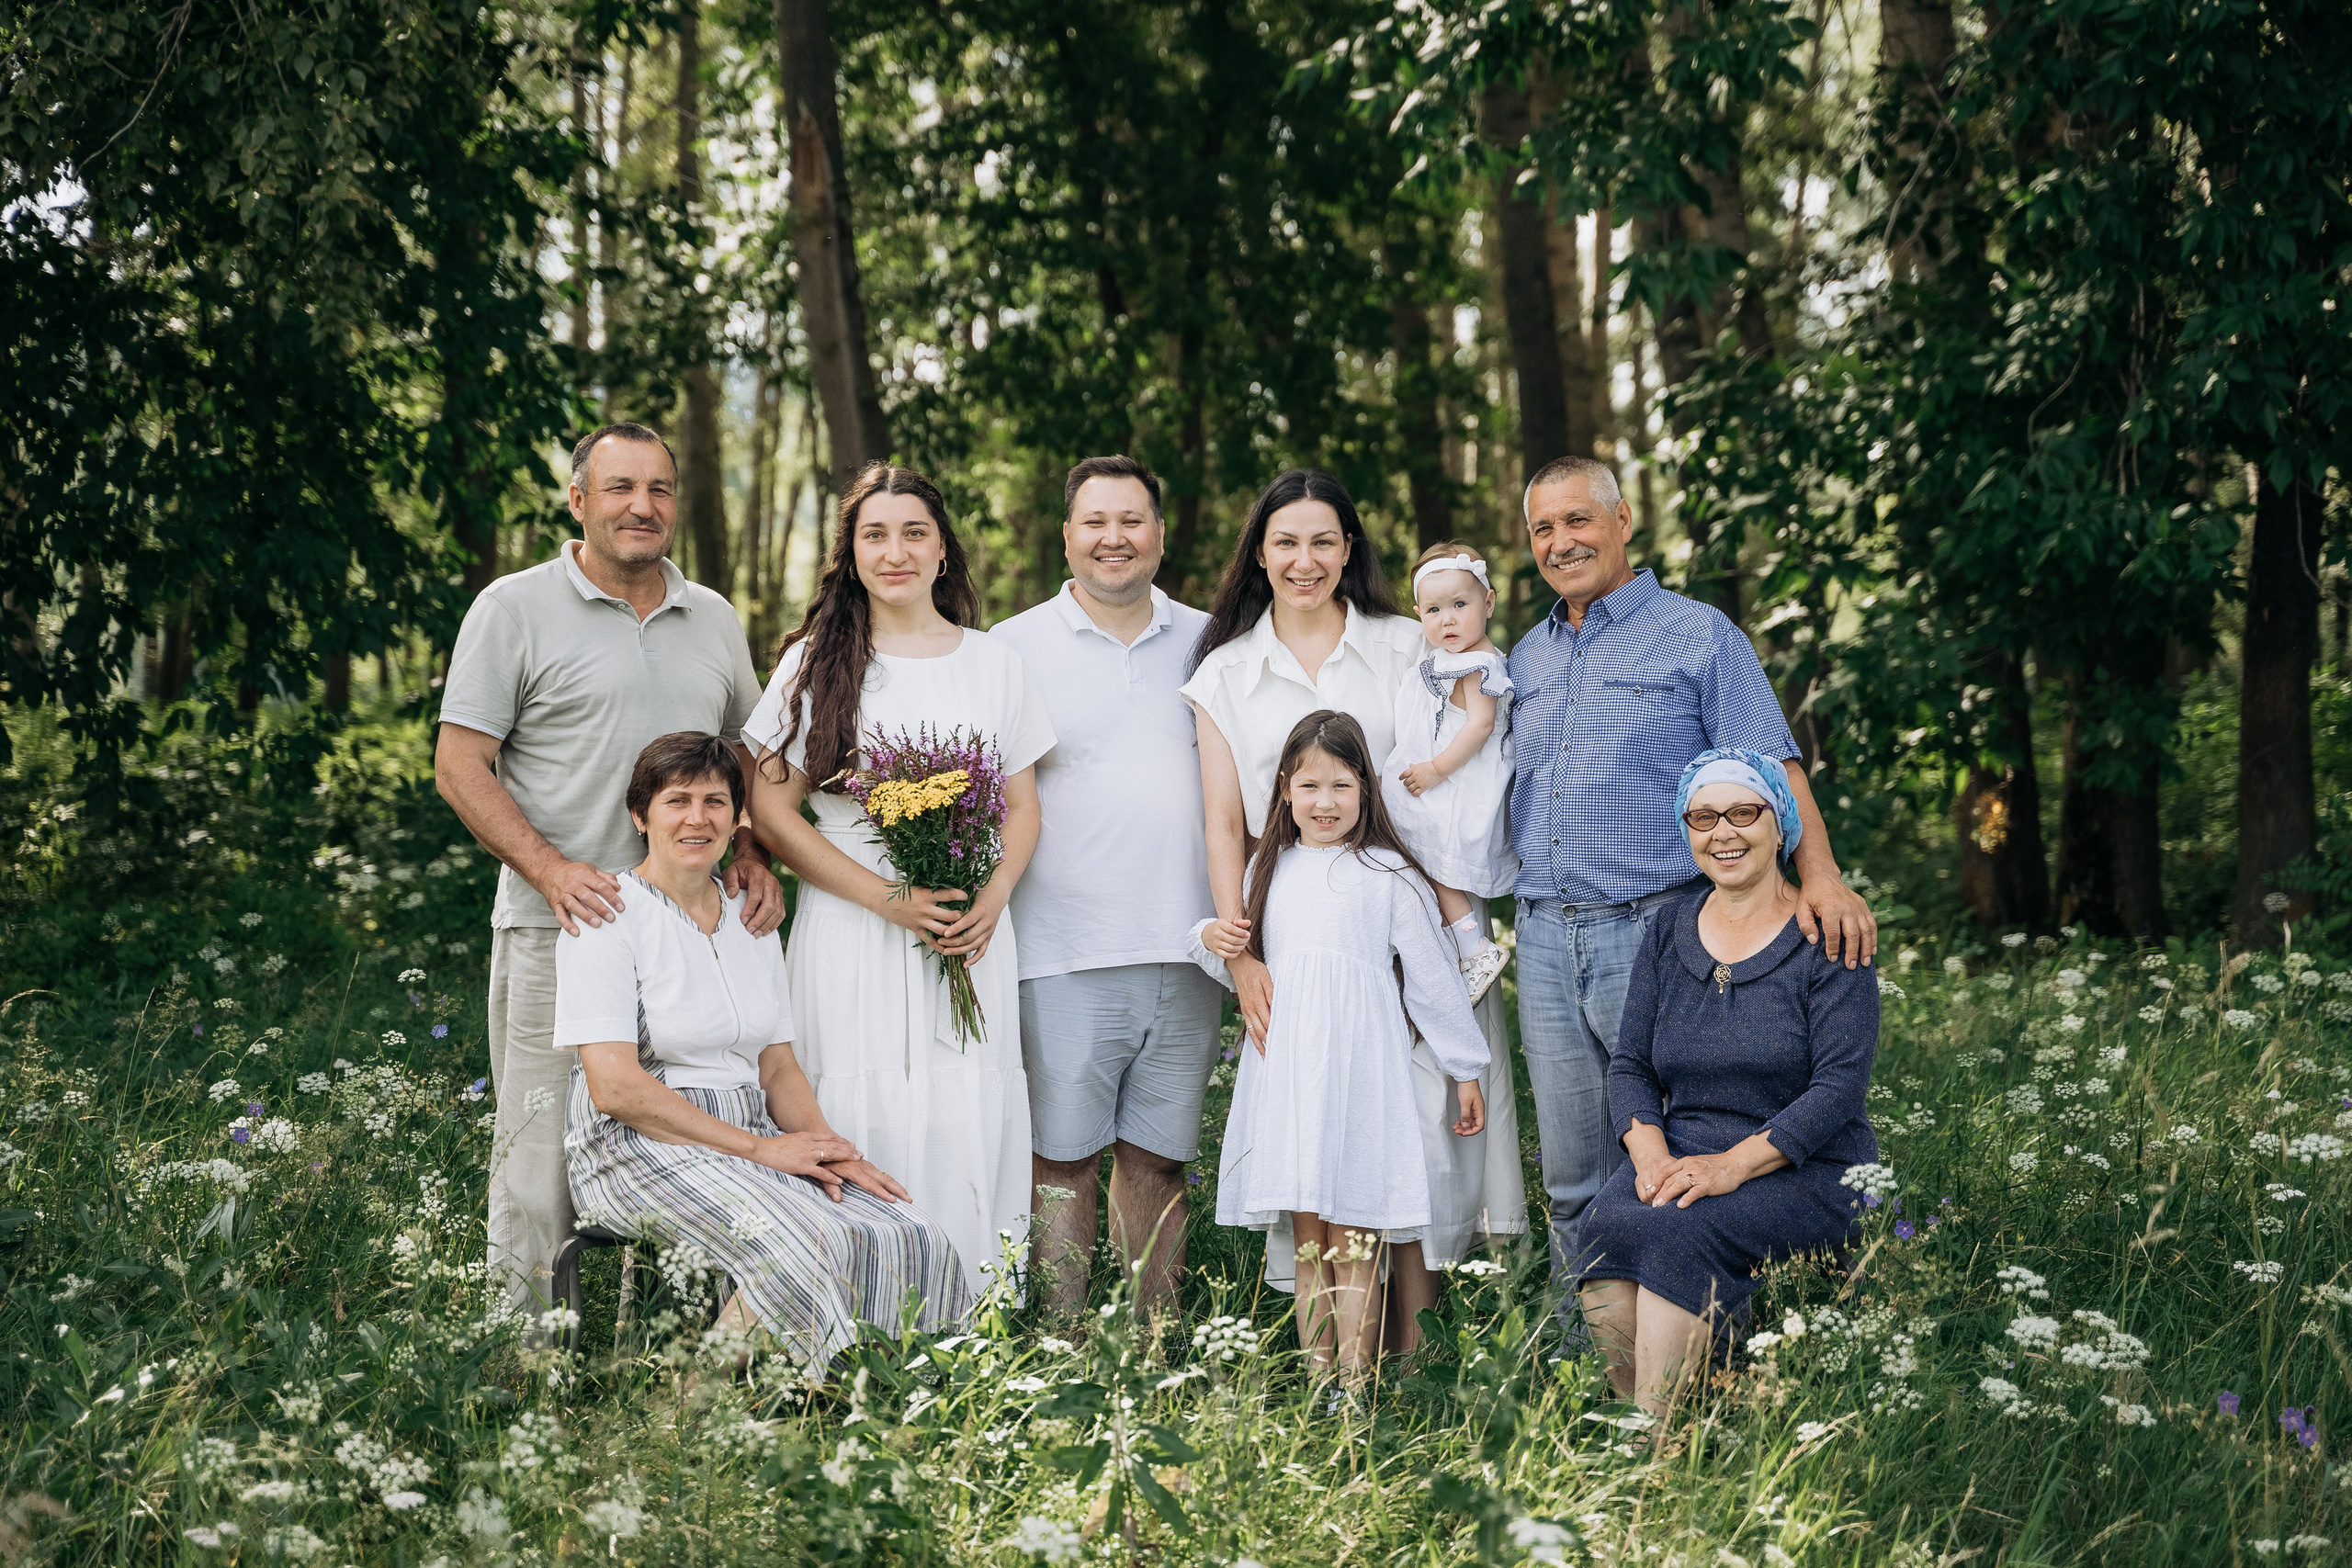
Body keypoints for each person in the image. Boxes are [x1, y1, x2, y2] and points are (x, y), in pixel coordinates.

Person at [1507, 455, 1875, 1314]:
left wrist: (1819, 872)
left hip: (1658, 927)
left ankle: (1721, 1338)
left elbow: (1772, 764)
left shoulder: (1699, 634)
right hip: (1543, 935)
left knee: (1678, 1155)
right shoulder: (1522, 656)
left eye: (1577, 520)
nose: (1562, 542)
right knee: (1572, 1176)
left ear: (1623, 519)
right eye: (1543, 529)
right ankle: (1582, 1373)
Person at [437, 423, 783, 1321]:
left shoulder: (712, 616)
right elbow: (459, 765)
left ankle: (671, 1346)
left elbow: (743, 756)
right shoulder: (512, 608)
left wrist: (749, 850)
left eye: (660, 489)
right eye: (621, 487)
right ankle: (525, 1356)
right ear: (578, 501)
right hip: (565, 926)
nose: (642, 506)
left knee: (684, 1141)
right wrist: (550, 870)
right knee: (541, 1155)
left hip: (690, 937)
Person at [1179, 468, 1523, 1335]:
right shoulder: (1224, 671)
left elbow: (1463, 760)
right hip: (1300, 929)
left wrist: (1450, 906)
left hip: (1413, 910)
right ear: (1259, 552)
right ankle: (1346, 1357)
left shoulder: (1410, 642)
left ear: (1349, 550)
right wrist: (1243, 954)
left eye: (1324, 540)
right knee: (1334, 1134)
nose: (1305, 559)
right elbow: (1225, 822)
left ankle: (1420, 1346)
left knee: (1425, 1129)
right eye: (1286, 541)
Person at [745, 463, 1054, 1305]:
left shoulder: (996, 664)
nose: (895, 551)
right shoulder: (812, 663)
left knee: (962, 1103)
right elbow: (771, 813)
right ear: (849, 552)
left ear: (943, 549)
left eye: (914, 531)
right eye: (874, 534)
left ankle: (965, 1313)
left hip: (968, 921)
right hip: (855, 924)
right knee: (856, 1091)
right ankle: (855, 1312)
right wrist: (888, 900)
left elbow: (1022, 807)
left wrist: (990, 898)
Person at [559, 734, 967, 1367]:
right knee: (809, 1241)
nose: (698, 818)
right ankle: (695, 1411)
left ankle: (879, 1391)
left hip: (749, 1130)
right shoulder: (608, 914)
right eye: (678, 801)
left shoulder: (751, 916)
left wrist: (833, 1150)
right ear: (641, 816)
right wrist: (761, 1149)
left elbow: (776, 1065)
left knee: (912, 1232)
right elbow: (615, 1088)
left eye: (716, 801)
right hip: (638, 1145)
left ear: (736, 817)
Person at [1577, 749, 1881, 1417]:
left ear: (1781, 825)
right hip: (1686, 1153)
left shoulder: (1826, 935)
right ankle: (1641, 1419)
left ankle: (1657, 1450)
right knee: (1607, 1221)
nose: (1724, 832)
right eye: (1705, 816)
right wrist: (1652, 1157)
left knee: (1681, 1232)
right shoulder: (1668, 929)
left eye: (1745, 812)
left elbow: (1838, 1090)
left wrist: (1729, 1168)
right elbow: (1630, 1064)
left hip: (1810, 1166)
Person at [1189, 711, 1488, 1383]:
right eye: (1311, 786)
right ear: (1285, 791)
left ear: (1366, 790)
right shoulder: (1271, 868)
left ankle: (1356, 1384)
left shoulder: (1386, 874)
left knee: (1356, 1240)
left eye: (1342, 786)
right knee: (1310, 1242)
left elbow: (1435, 984)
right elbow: (1235, 952)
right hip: (1292, 1077)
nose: (1326, 803)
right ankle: (1321, 1379)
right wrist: (1208, 935)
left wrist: (1465, 1068)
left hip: (1360, 1078)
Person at [988, 456, 1220, 1319]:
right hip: (1061, 947)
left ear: (1160, 534)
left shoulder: (1214, 638)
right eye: (1095, 521)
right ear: (1067, 536)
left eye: (1131, 521)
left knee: (1159, 1160)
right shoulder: (1011, 648)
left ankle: (1150, 1345)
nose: (1113, 538)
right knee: (1062, 1160)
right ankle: (1063, 1345)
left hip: (1189, 945)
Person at [1379, 540, 1519, 1003]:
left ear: (1489, 602)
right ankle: (1452, 940)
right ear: (1419, 614)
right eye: (1435, 610)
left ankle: (1473, 945)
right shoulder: (1446, 661)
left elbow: (1479, 725)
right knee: (1419, 854)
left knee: (1427, 852)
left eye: (1460, 604)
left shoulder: (1481, 665)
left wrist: (1436, 769)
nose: (1448, 619)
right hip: (1445, 780)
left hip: (1458, 783)